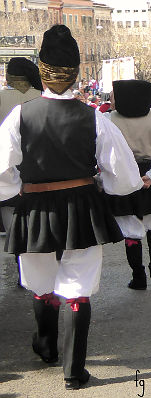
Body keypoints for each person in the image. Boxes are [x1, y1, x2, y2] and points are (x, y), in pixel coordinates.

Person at [0, 25, 142, 390]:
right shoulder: (93, 117)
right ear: (77, 72)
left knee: (40, 282)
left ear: (41, 69)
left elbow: (2, 172)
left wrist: (21, 189)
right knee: (77, 287)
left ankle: (46, 348)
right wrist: (100, 185)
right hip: (81, 206)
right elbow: (124, 178)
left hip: (34, 206)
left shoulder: (20, 116)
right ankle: (73, 372)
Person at [106, 80, 151, 290]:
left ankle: (138, 276)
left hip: (124, 176)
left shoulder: (108, 119)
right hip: (150, 175)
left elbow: (103, 152)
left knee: (131, 230)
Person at [0, 57, 43, 286]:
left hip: (8, 168)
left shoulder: (1, 97)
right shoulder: (40, 96)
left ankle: (22, 270)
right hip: (38, 168)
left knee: (12, 221)